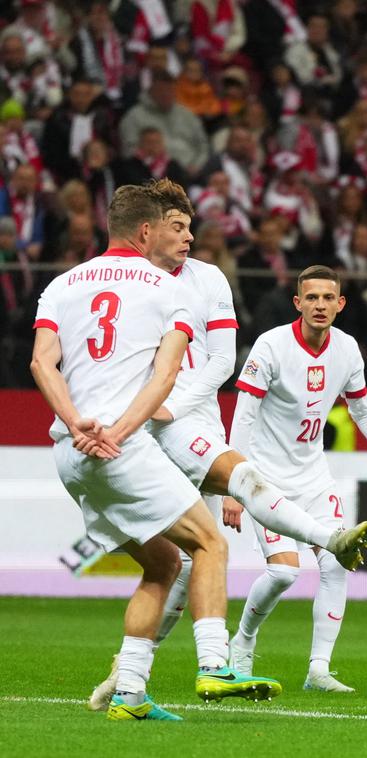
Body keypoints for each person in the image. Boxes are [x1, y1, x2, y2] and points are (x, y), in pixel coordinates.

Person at [87, 181, 367, 710]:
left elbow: (221, 361)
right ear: (146, 230)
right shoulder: (123, 283)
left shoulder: (209, 280)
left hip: (185, 417)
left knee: (231, 496)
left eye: (191, 227)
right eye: (179, 227)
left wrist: (172, 406)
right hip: (129, 427)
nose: (191, 237)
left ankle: (324, 544)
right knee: (183, 562)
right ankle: (129, 674)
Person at [30, 183, 281, 721]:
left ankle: (130, 696)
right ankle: (216, 667)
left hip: (70, 453)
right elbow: (168, 374)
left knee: (164, 563)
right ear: (147, 231)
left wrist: (78, 424)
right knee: (210, 543)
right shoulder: (169, 289)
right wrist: (117, 431)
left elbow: (40, 363)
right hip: (121, 448)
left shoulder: (62, 285)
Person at [225, 265, 367, 693]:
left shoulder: (347, 349)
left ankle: (318, 670)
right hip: (263, 481)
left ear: (341, 304)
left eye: (328, 298)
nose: (320, 305)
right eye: (311, 298)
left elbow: (362, 409)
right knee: (284, 575)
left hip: (314, 479)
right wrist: (233, 483)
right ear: (298, 303)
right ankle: (243, 643)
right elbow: (244, 413)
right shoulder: (271, 345)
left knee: (336, 563)